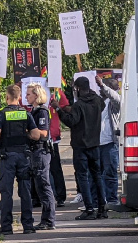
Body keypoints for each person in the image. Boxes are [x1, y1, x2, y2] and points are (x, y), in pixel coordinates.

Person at [51, 77, 107, 220]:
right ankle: (102, 208)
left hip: (81, 145)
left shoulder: (79, 105)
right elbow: (102, 104)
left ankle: (89, 209)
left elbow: (71, 121)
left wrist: (58, 109)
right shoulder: (96, 101)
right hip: (95, 143)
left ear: (77, 89)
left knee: (83, 177)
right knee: (97, 176)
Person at [0, 84, 40, 235]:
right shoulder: (25, 113)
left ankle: (6, 227)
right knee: (25, 191)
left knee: (6, 192)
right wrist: (24, 134)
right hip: (23, 156)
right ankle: (28, 226)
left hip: (7, 157)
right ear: (19, 97)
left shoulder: (1, 114)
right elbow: (36, 135)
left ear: (7, 97)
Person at [26, 83, 56, 230]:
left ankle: (49, 220)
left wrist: (28, 132)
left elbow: (43, 133)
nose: (26, 96)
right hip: (35, 152)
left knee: (44, 185)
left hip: (40, 152)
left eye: (29, 94)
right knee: (39, 186)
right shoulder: (34, 111)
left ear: (36, 96)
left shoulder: (42, 112)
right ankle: (46, 219)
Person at [94, 76, 120, 205]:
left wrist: (103, 85)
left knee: (110, 173)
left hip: (109, 144)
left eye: (104, 87)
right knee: (94, 174)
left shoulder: (114, 104)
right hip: (94, 144)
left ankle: (111, 200)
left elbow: (115, 97)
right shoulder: (96, 102)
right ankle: (96, 202)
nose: (101, 90)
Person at [49, 89, 70, 207]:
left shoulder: (56, 92)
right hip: (35, 136)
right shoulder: (29, 89)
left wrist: (58, 107)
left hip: (52, 136)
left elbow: (65, 107)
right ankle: (37, 197)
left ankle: (60, 196)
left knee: (55, 167)